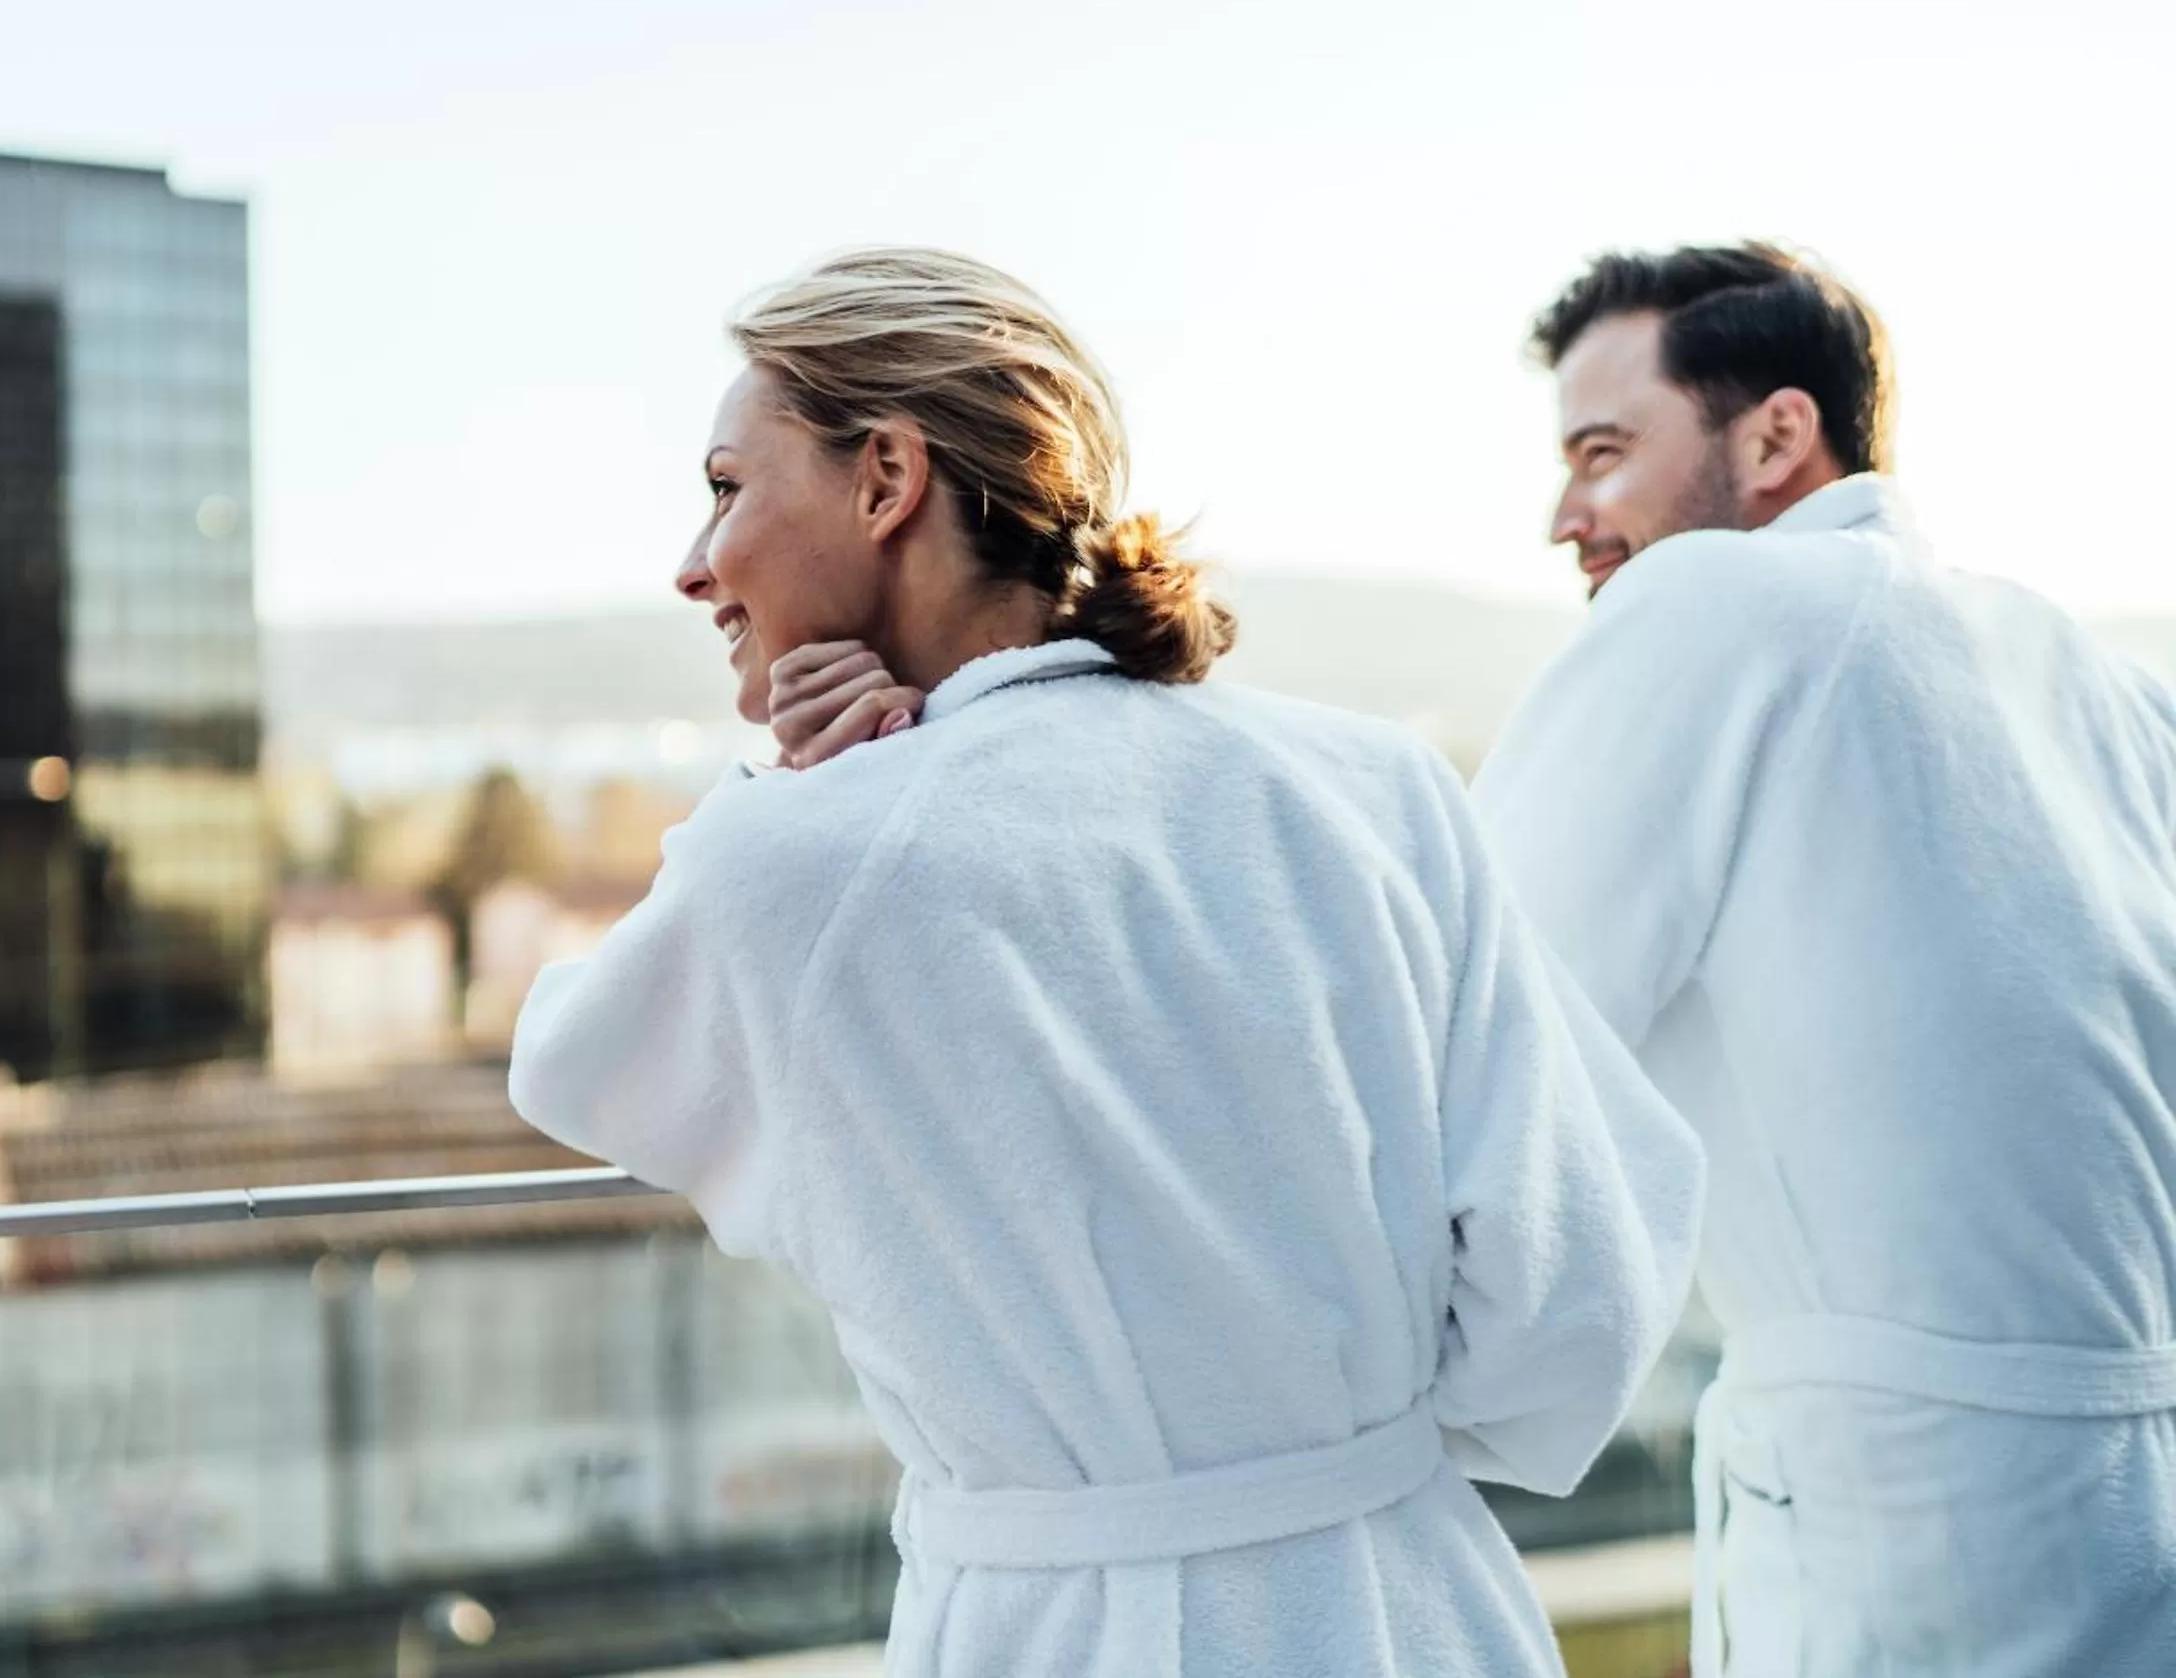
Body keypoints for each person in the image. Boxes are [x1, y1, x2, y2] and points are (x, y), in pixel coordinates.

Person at [509, 247, 1703, 1676]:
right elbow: (1579, 1294)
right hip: (1415, 1603)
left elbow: (576, 1068)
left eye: (724, 487)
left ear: (887, 480)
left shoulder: (804, 858)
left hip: (1070, 1633)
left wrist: (786, 789)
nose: (695, 561)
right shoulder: (1372, 782)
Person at [1470, 243, 2176, 1676]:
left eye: (1603, 452)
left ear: (1778, 434)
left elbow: (1464, 1031)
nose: (1565, 516)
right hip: (2141, 1499)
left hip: (1903, 1535)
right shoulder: (2105, 682)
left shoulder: (1711, 604)